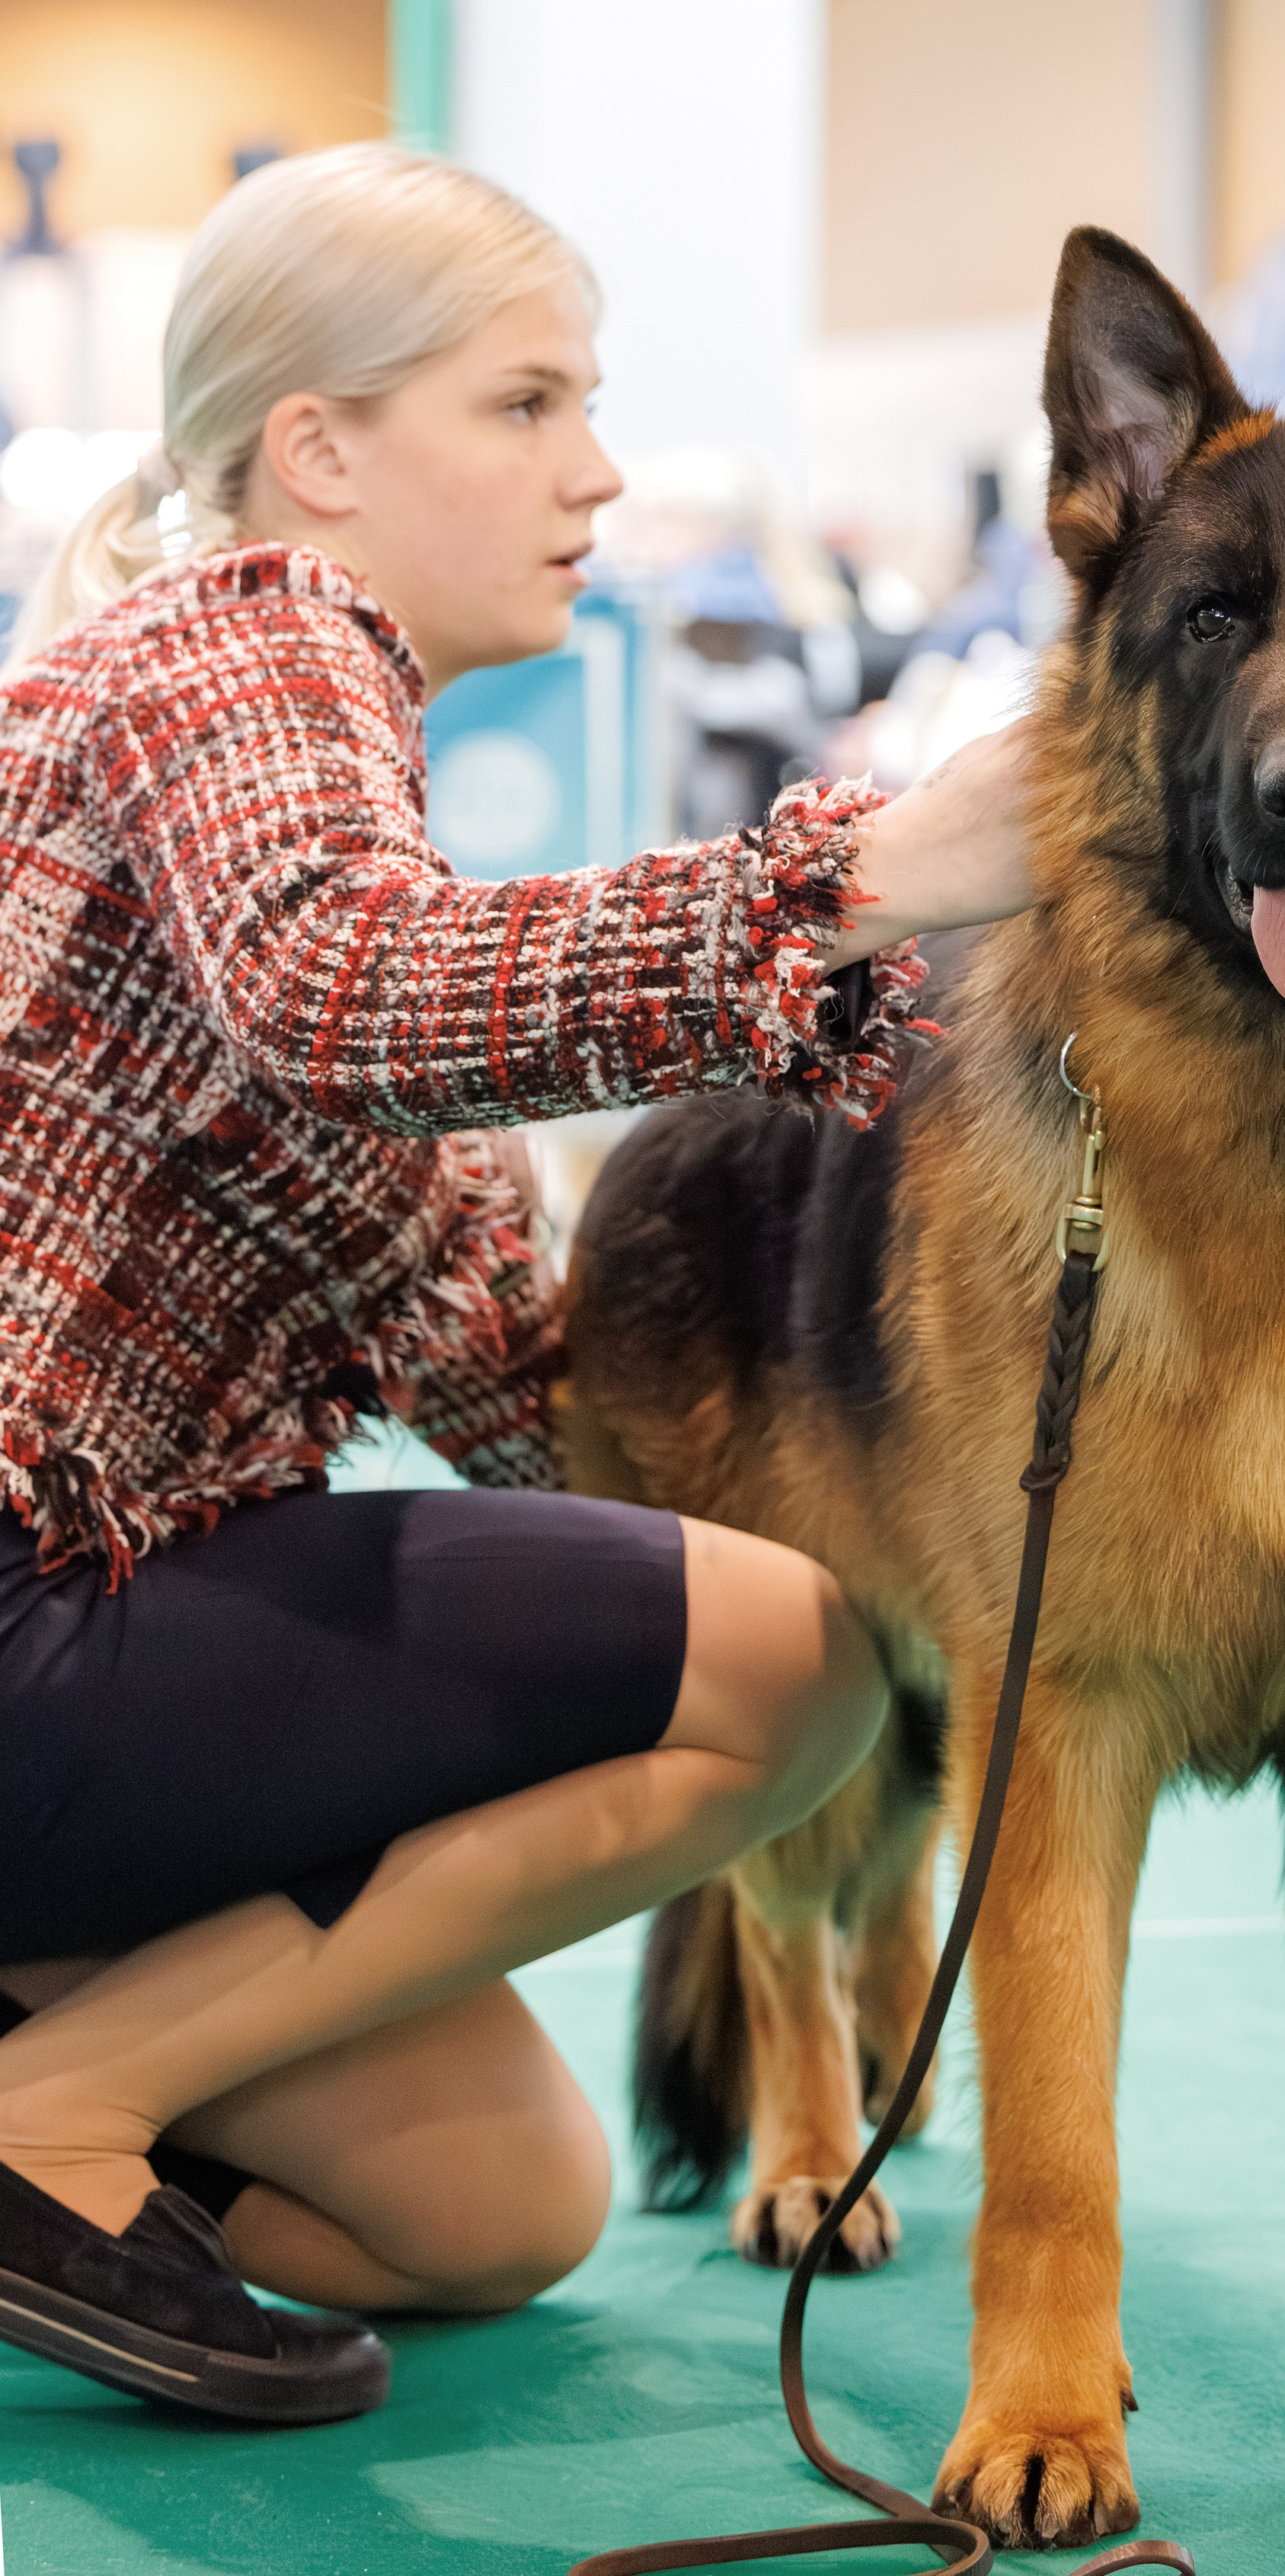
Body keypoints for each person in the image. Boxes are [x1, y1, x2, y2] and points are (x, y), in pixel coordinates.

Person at [0, 143, 1033, 2424]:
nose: (603, 470)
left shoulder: (320, 778)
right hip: (22, 1615)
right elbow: (344, 989)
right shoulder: (235, 646)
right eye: (529, 404)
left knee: (492, 2217)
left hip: (77, 1654)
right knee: (793, 1666)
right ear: (322, 452)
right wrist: (861, 869)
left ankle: (53, 2061)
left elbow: (525, 1390)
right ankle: (43, 2122)